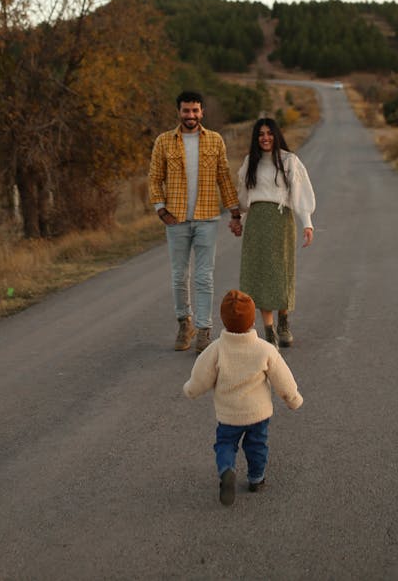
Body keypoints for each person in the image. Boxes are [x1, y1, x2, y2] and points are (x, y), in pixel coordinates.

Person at [183, 289, 303, 506]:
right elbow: (282, 378)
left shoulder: (216, 349)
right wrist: (293, 398)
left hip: (229, 415)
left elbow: (201, 377)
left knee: (225, 444)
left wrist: (191, 390)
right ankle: (256, 479)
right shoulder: (264, 349)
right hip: (258, 414)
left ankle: (227, 469)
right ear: (251, 321)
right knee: (257, 445)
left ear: (223, 320)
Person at [149, 90, 242, 353]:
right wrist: (161, 210)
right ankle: (184, 323)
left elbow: (224, 178)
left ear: (202, 112)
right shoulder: (164, 141)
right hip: (176, 219)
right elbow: (155, 178)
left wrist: (234, 212)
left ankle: (204, 330)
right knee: (179, 275)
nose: (190, 115)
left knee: (204, 276)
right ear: (178, 112)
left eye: (195, 111)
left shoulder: (214, 140)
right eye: (186, 111)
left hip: (207, 217)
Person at [232, 117, 315, 348]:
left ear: (276, 135)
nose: (265, 138)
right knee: (259, 276)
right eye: (260, 134)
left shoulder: (289, 161)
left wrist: (307, 223)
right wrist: (237, 218)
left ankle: (284, 322)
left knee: (281, 273)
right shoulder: (251, 162)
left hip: (281, 223)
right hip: (257, 224)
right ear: (256, 138)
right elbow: (244, 199)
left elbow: (300, 194)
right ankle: (268, 333)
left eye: (269, 133)